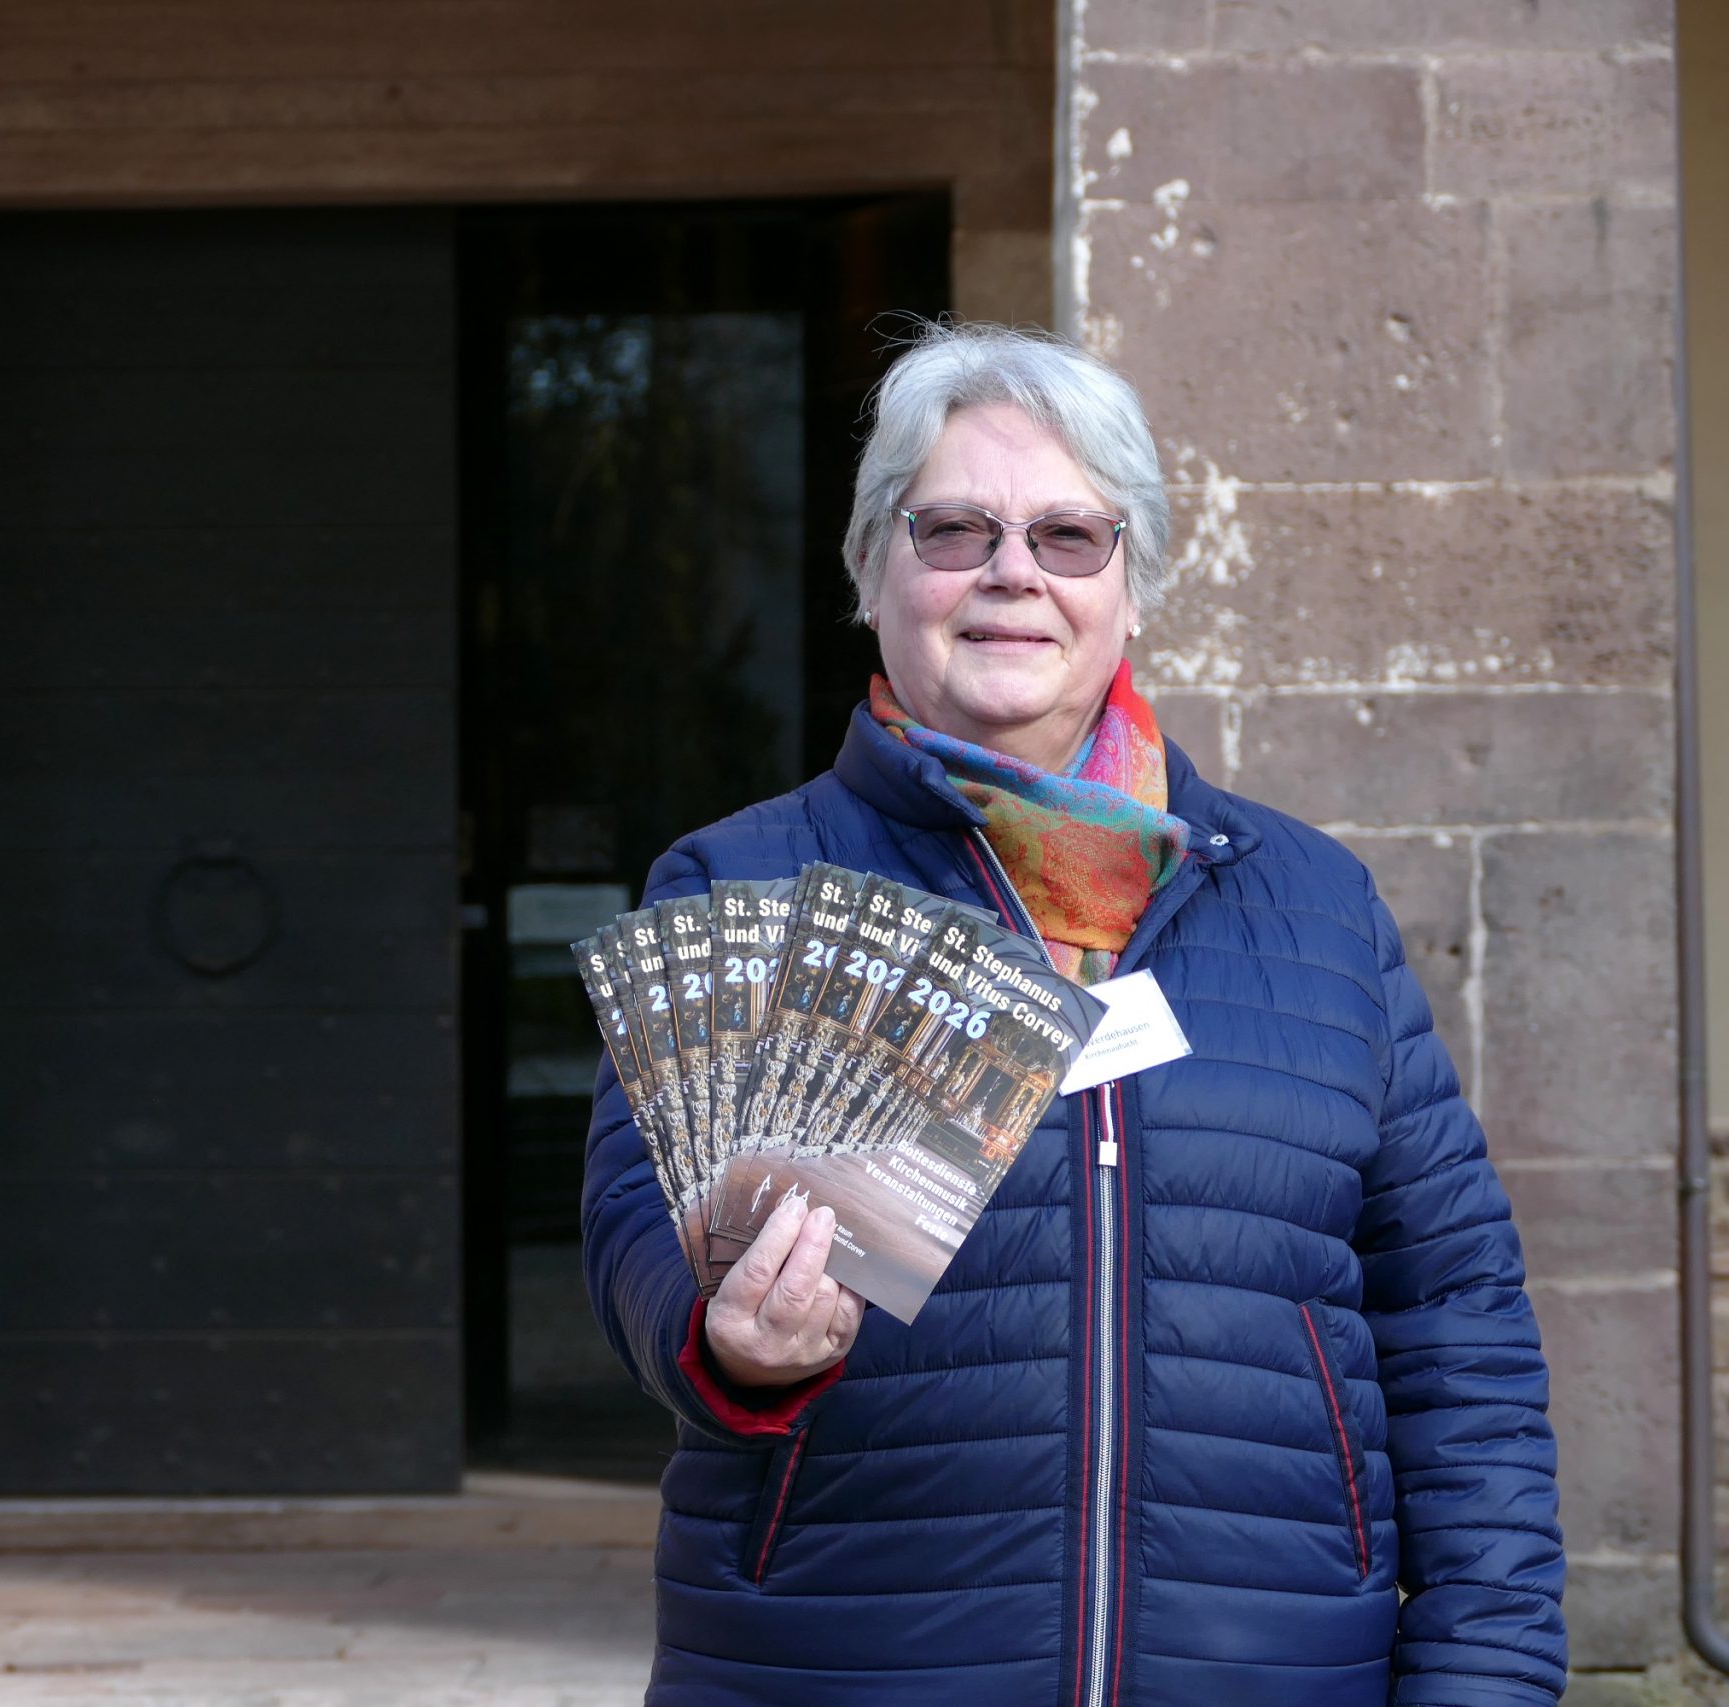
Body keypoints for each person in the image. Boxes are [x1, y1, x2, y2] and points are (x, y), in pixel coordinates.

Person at [582, 322, 1563, 1706]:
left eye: (1069, 536)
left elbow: (1456, 1319)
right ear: (870, 570)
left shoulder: (1317, 906)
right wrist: (728, 1341)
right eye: (952, 529)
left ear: (1133, 585)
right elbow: (638, 1228)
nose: (1012, 572)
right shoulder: (747, 885)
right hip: (844, 1668)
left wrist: (1486, 1676)